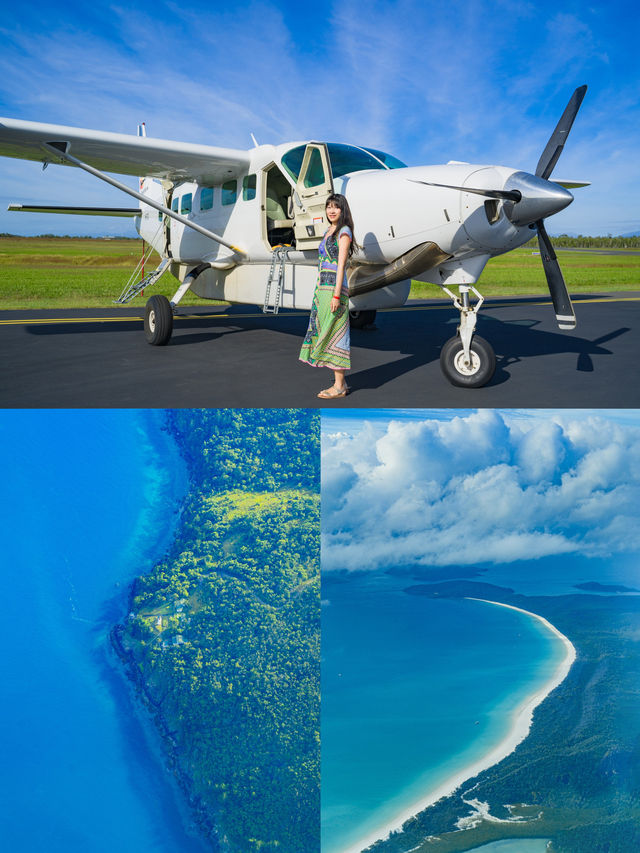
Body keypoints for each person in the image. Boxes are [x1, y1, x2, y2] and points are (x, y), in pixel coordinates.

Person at [299, 193, 356, 398]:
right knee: (326, 330)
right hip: (322, 289)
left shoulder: (344, 232)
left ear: (343, 210)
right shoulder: (329, 230)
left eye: (336, 207)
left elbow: (341, 265)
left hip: (334, 290)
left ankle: (339, 387)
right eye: (329, 206)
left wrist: (335, 295)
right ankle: (341, 381)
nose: (331, 210)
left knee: (335, 333)